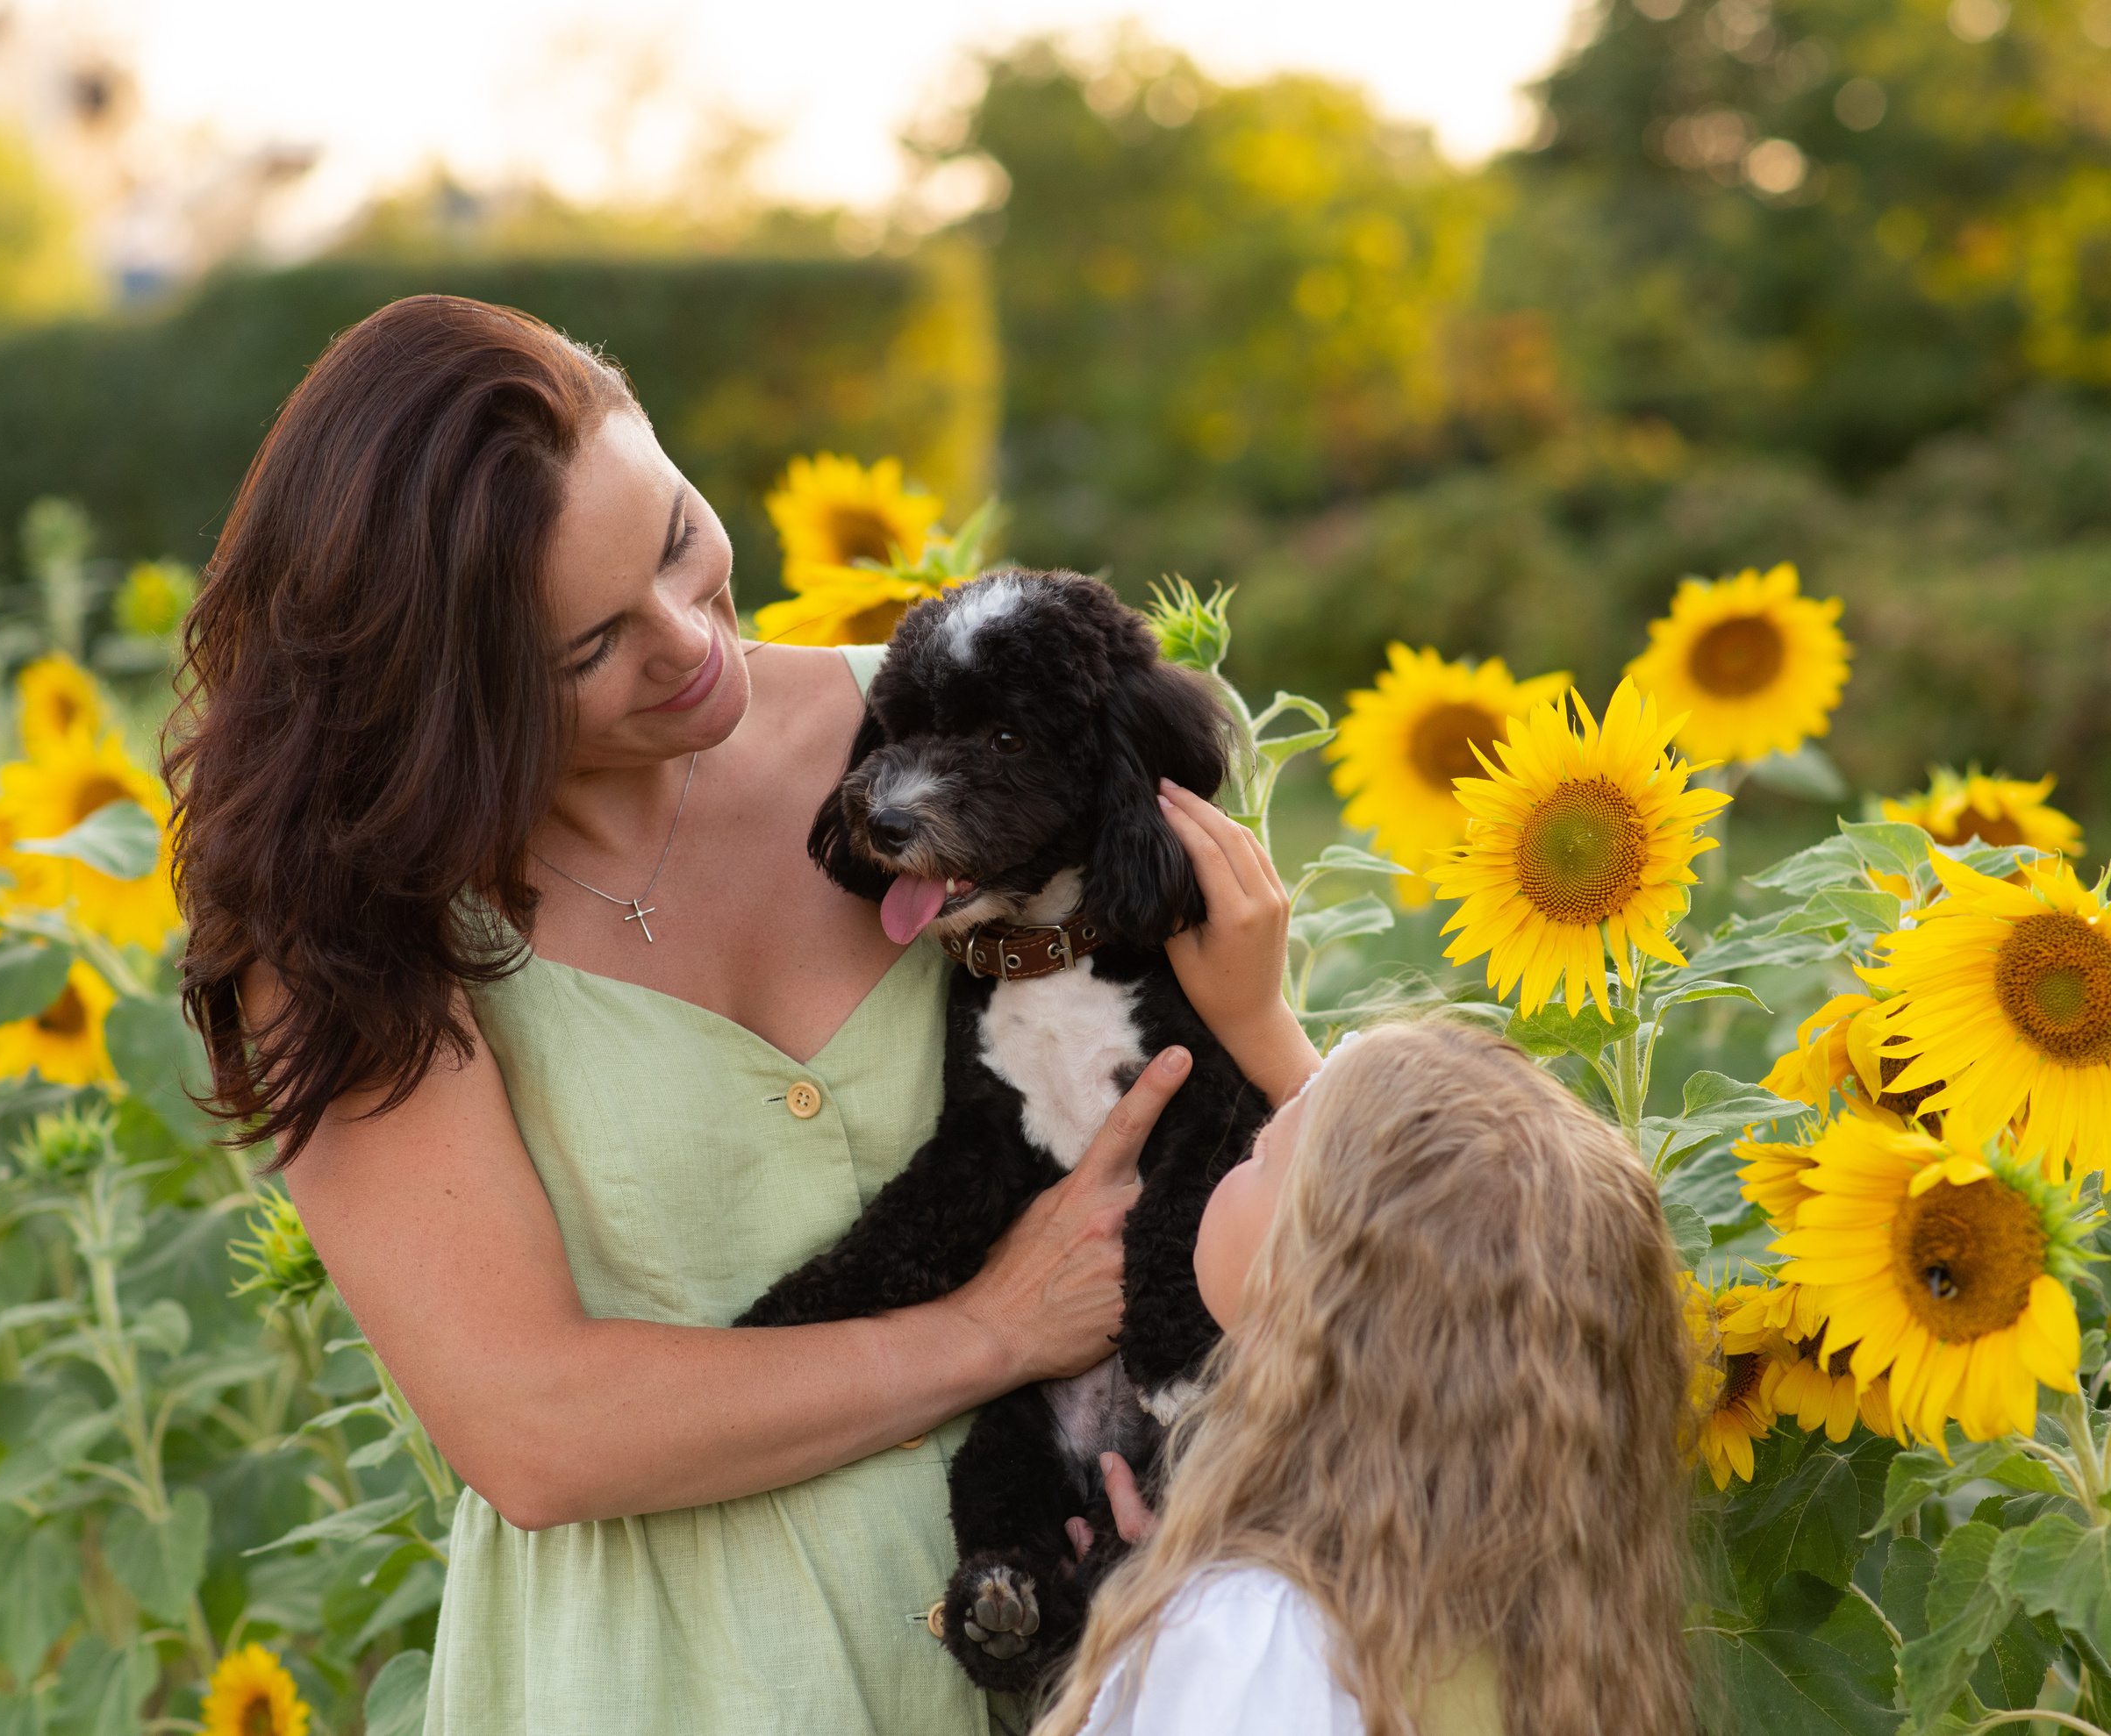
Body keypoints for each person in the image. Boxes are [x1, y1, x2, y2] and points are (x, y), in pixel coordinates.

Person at [166, 293, 1313, 1734]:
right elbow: (534, 1428)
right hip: (662, 1681)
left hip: (1085, 1649)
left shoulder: (958, 732)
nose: (685, 639)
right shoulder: (350, 929)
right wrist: (991, 1327)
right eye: (587, 649)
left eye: (673, 536)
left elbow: (1282, 1158)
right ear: (444, 687)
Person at [1037, 1020, 1697, 1736]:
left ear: (1301, 1300)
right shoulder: (1553, 1645)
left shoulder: (1247, 1637)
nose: (1238, 1156)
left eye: (1260, 1152)